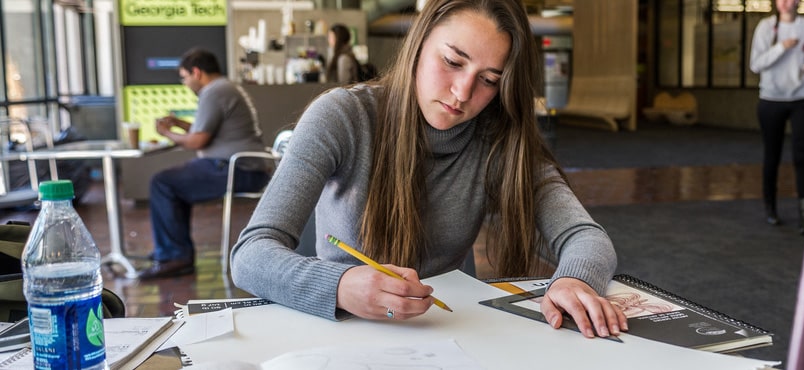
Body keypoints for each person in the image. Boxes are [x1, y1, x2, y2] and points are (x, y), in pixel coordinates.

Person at [231, 0, 627, 340]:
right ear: (418, 45)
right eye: (452, 61)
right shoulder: (343, 116)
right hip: (344, 330)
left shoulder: (499, 139)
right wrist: (339, 286)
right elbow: (250, 254)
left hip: (446, 330)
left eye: (489, 80)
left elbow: (584, 235)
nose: (463, 93)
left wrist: (575, 279)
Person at [139, 48, 271, 279]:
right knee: (174, 183)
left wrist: (166, 132)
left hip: (236, 169)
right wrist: (179, 123)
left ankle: (175, 256)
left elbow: (198, 140)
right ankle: (173, 251)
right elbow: (204, 131)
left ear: (197, 72)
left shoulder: (215, 92)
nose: (185, 83)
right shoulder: (224, 88)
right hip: (245, 167)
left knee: (162, 182)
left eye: (184, 77)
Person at [749, 0, 804, 235]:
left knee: (802, 155)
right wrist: (781, 47)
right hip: (771, 100)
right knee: (772, 155)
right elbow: (756, 65)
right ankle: (770, 206)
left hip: (802, 99)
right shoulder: (766, 27)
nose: (785, 3)